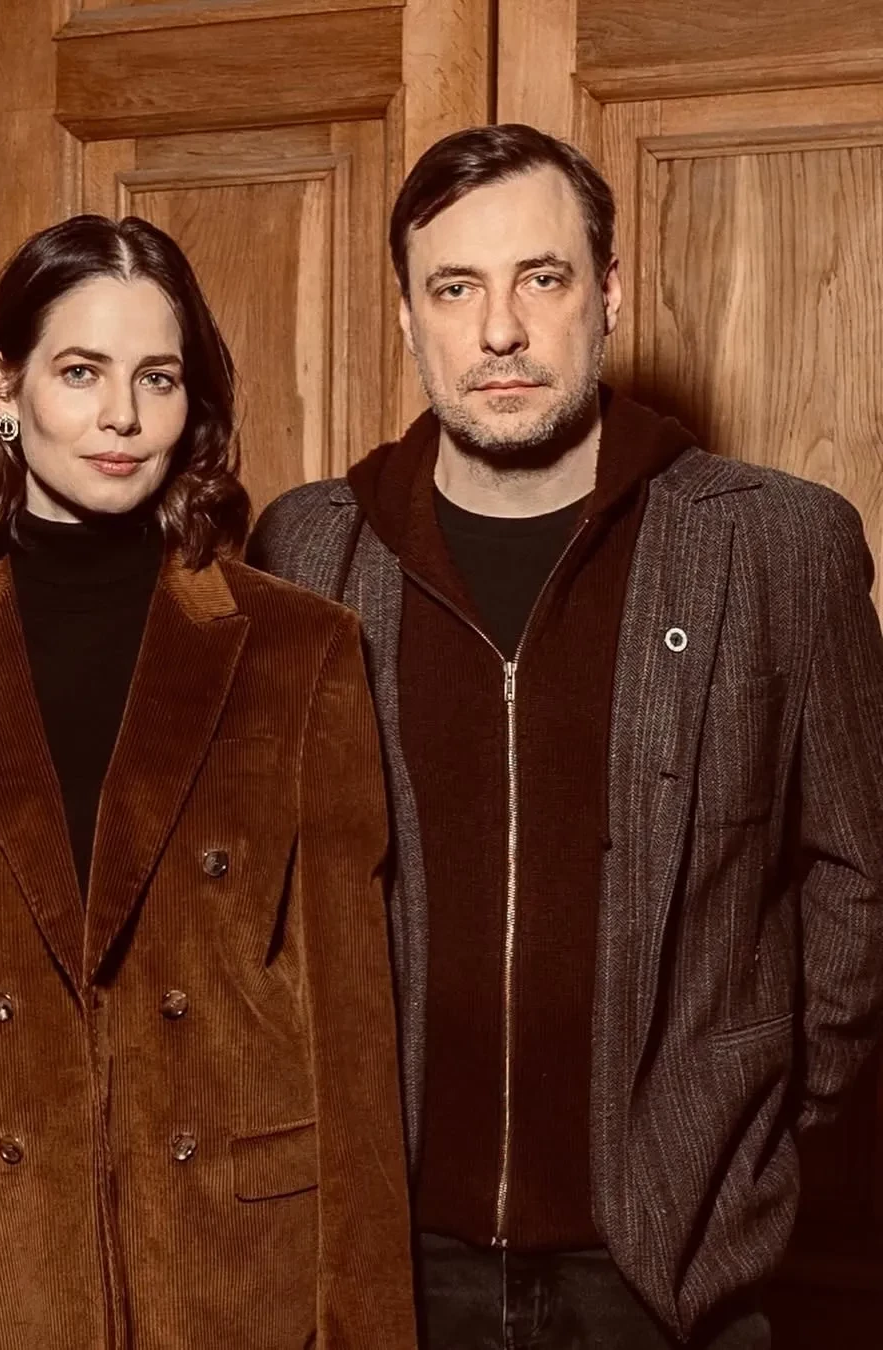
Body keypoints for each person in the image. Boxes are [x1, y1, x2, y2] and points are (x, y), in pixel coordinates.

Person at [248, 124, 883, 1349]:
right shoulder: (308, 549)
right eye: (455, 288)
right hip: (378, 1261)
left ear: (609, 295)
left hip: (667, 1268)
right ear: (407, 316)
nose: (500, 330)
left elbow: (859, 874)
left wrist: (739, 1129)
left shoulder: (775, 546)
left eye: (541, 278)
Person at [0, 214, 416, 1350]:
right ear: (4, 387)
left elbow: (354, 1045)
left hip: (231, 1285)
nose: (122, 417)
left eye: (157, 377)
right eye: (80, 371)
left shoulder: (299, 650)